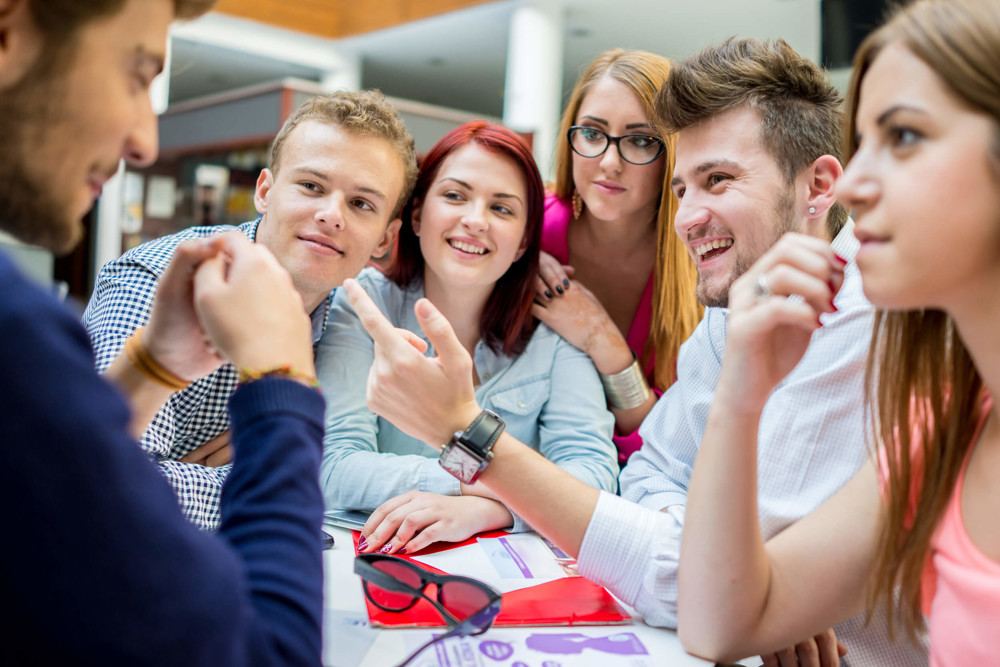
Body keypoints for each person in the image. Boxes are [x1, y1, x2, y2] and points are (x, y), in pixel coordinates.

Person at [341, 37, 927, 667]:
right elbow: (649, 473)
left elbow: (706, 589)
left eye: (719, 179)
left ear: (819, 185)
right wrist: (747, 574)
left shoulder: (872, 315)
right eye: (683, 189)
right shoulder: (727, 313)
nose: (687, 217)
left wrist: (469, 435)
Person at [0, 0, 329, 663]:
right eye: (138, 73)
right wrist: (281, 382)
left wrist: (150, 369)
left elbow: (43, 491)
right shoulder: (21, 335)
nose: (145, 141)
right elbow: (270, 652)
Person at [676, 1, 1000, 665]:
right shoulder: (939, 428)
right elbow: (721, 623)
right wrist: (743, 393)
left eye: (904, 136)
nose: (854, 182)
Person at [83, 90, 417, 530]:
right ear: (265, 191)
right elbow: (100, 489)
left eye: (361, 204)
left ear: (383, 239)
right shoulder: (158, 284)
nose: (331, 215)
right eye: (312, 186)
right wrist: (259, 480)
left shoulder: (355, 314)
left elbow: (336, 470)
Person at [318, 122, 617, 553]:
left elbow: (596, 477)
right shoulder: (362, 307)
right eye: (455, 196)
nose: (475, 221)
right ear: (417, 216)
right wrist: (480, 486)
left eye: (502, 209)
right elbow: (335, 468)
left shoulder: (554, 332)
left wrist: (487, 511)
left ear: (523, 242)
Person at [533, 49, 702, 464]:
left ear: (674, 155)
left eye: (641, 140)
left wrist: (603, 341)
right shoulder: (526, 230)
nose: (609, 163)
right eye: (592, 133)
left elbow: (674, 448)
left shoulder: (702, 266)